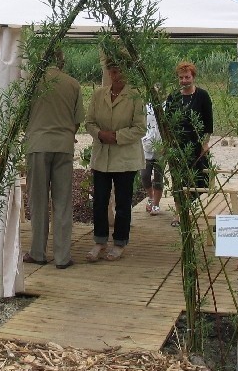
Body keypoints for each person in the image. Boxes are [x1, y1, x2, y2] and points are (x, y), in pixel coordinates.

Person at [23, 49, 84, 269]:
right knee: (63, 201)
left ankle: (38, 251)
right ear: (62, 61)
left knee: (38, 201)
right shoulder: (73, 84)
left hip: (37, 144)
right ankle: (62, 256)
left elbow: (22, 116)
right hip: (64, 145)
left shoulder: (31, 82)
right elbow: (78, 121)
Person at [84, 59, 146, 261]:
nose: (114, 74)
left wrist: (117, 136)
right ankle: (100, 241)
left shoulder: (135, 96)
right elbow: (89, 122)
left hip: (125, 158)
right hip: (102, 156)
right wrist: (100, 134)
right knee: (100, 200)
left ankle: (120, 242)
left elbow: (140, 128)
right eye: (111, 71)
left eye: (118, 71)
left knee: (122, 202)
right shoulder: (98, 94)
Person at [165, 61, 213, 223]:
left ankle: (197, 213)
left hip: (197, 146)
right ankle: (179, 214)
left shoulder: (202, 95)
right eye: (181, 77)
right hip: (178, 146)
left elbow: (208, 123)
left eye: (187, 77)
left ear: (193, 77)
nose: (184, 80)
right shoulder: (173, 96)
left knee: (198, 180)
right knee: (179, 180)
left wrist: (205, 144)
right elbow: (167, 123)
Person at [141, 99, 164, 215]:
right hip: (147, 146)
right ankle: (150, 197)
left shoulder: (166, 107)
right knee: (144, 175)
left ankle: (156, 203)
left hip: (161, 147)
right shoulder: (146, 107)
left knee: (158, 178)